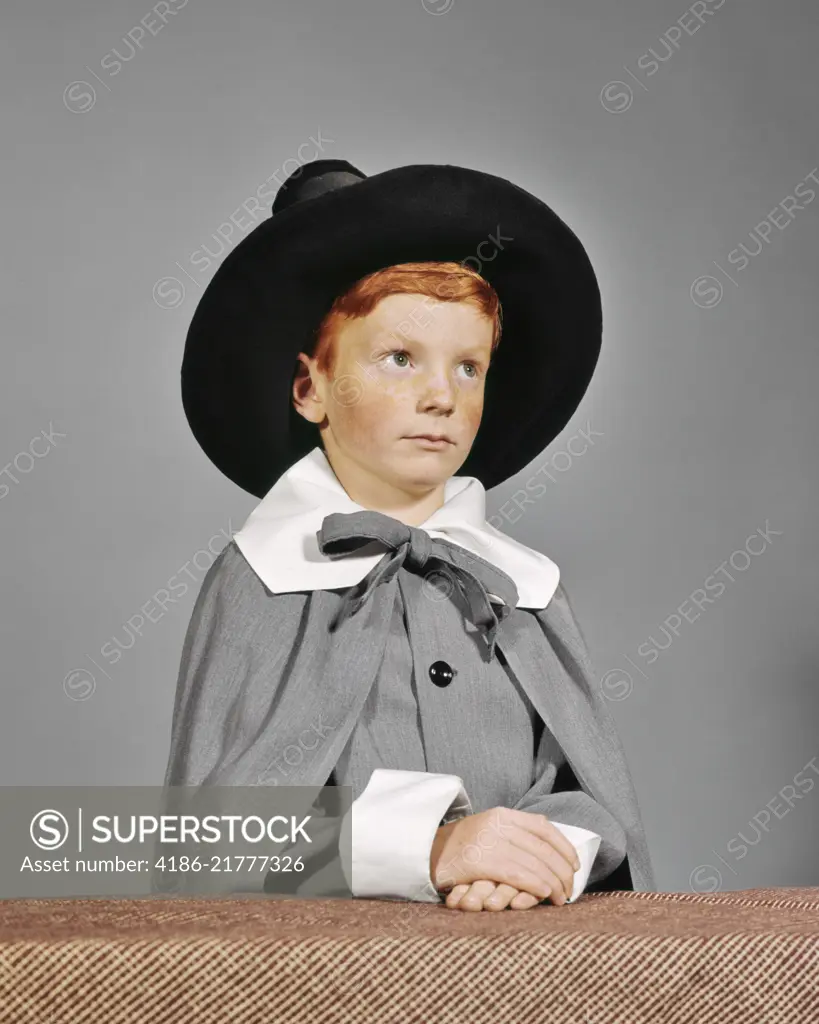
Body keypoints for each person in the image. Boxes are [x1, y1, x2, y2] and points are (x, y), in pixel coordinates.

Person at [162, 157, 656, 912]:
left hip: (526, 962)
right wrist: (428, 851)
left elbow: (583, 788)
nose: (438, 396)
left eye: (468, 368)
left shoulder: (525, 586)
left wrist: (541, 850)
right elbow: (211, 839)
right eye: (399, 359)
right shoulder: (262, 577)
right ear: (310, 388)